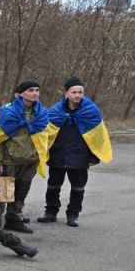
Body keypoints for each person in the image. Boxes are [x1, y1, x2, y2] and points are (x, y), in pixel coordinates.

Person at [38, 76, 113, 227]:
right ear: (66, 93)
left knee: (78, 188)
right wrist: (45, 152)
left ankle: (73, 214)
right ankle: (50, 212)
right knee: (53, 185)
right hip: (58, 154)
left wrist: (94, 155)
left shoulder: (91, 111)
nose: (77, 95)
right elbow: (45, 133)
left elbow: (98, 135)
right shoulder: (55, 111)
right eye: (74, 92)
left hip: (80, 156)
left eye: (80, 92)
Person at [0, 80, 47, 233]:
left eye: (37, 90)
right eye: (31, 90)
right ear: (21, 93)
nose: (35, 93)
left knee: (21, 193)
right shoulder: (8, 112)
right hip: (8, 161)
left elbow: (44, 137)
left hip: (30, 160)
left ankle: (14, 219)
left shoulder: (42, 113)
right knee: (0, 193)